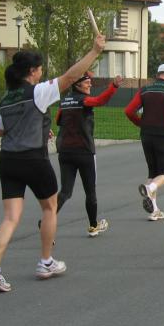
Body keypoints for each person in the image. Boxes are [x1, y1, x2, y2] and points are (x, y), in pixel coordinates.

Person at [0, 34, 106, 293]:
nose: (41, 73)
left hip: (8, 160)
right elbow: (70, 77)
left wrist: (35, 126)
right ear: (32, 72)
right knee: (49, 208)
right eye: (39, 69)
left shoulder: (6, 99)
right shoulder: (37, 91)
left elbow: (2, 131)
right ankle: (46, 261)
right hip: (33, 159)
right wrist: (94, 51)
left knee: (10, 217)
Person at [54, 72, 120, 237]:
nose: (90, 84)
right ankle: (93, 226)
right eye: (87, 82)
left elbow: (57, 120)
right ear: (77, 85)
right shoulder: (84, 100)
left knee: (65, 192)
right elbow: (100, 101)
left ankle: (47, 220)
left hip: (65, 151)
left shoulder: (64, 101)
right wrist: (114, 86)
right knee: (90, 191)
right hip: (84, 151)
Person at [124, 63, 164, 220]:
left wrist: (140, 123)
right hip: (163, 134)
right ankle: (149, 188)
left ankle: (154, 211)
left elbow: (129, 110)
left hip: (146, 134)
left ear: (157, 75)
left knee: (153, 172)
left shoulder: (144, 89)